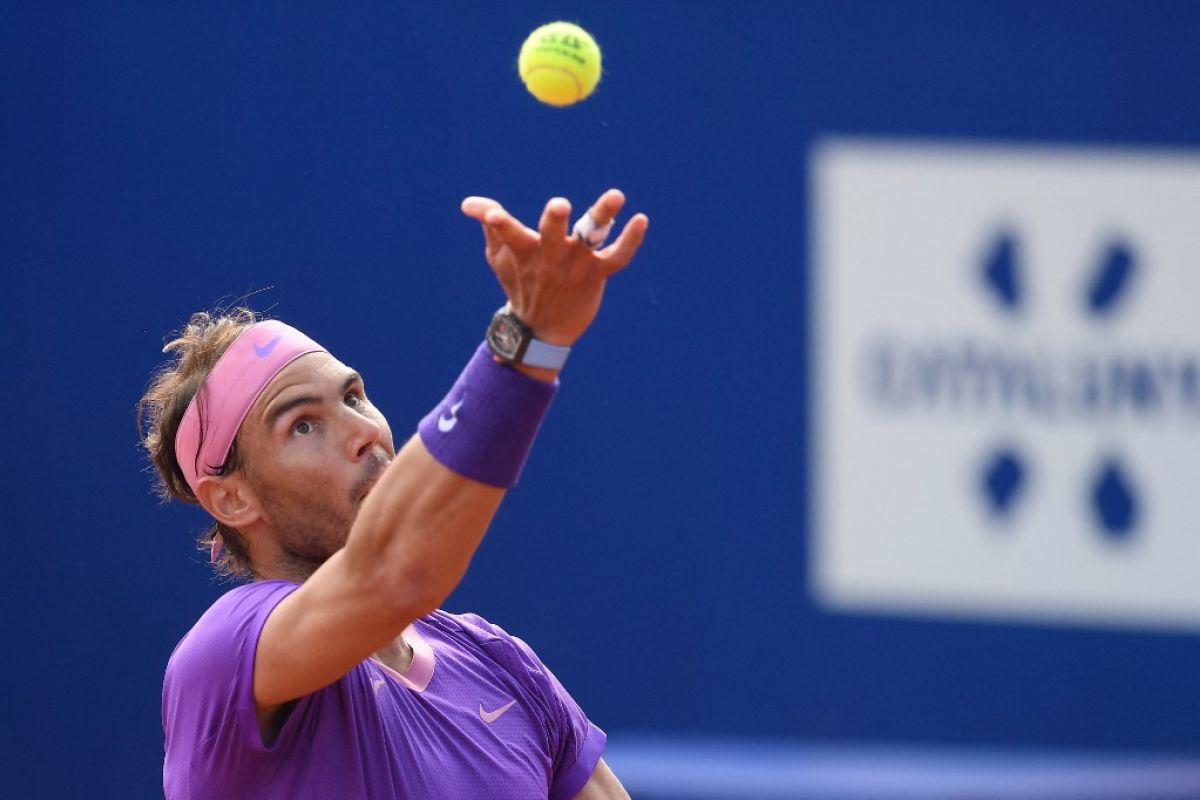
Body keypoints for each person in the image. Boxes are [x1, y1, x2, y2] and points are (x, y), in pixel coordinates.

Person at [138, 190, 648, 799]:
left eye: (353, 397)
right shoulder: (224, 659)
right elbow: (395, 573)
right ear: (231, 500)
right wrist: (529, 343)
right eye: (302, 424)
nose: (363, 432)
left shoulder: (498, 663)